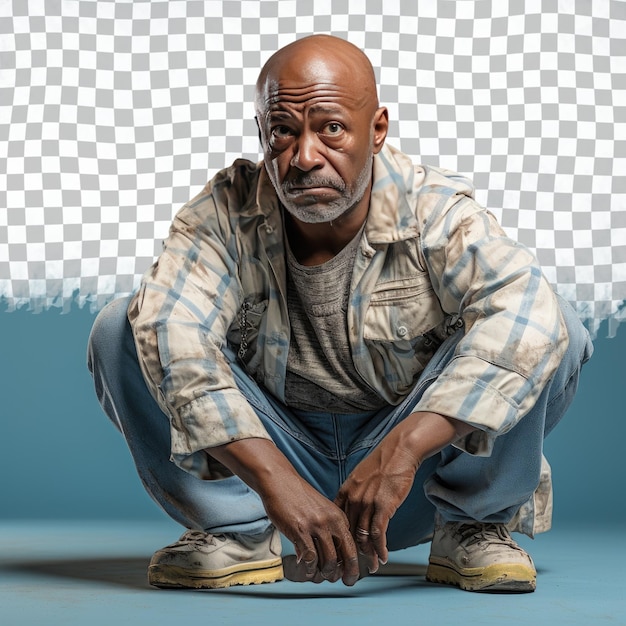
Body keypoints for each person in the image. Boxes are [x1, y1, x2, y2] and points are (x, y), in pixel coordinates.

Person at [88, 34, 592, 593]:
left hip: (410, 485)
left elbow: (526, 313)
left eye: (330, 128)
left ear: (376, 130)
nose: (304, 158)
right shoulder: (223, 214)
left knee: (553, 320)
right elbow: (170, 328)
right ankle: (235, 532)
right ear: (262, 133)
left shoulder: (436, 214)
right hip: (273, 480)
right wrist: (275, 480)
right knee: (124, 328)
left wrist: (403, 450)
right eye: (283, 131)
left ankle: (471, 527)